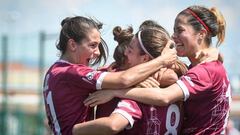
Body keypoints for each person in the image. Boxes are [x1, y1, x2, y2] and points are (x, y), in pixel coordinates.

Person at [83, 5, 231, 135]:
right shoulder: (196, 69)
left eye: (180, 30)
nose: (173, 36)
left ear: (202, 34)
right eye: (174, 30)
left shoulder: (204, 71)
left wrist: (115, 91)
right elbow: (172, 77)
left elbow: (164, 97)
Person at [42, 16, 177, 135]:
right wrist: (162, 61)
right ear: (72, 44)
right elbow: (124, 79)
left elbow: (170, 76)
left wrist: (118, 88)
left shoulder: (56, 70)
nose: (97, 53)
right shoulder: (70, 72)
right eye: (92, 45)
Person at [72, 24, 188, 135]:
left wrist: (73, 130)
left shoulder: (137, 96)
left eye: (130, 50)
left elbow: (113, 125)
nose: (126, 53)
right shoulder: (178, 86)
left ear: (145, 58)